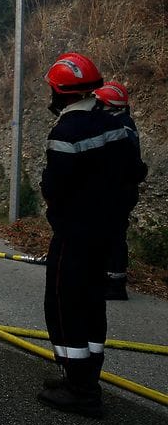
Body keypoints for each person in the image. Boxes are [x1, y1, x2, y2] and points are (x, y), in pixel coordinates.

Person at [38, 53, 147, 418]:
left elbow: (54, 187)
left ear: (60, 93)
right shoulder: (118, 123)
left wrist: (63, 212)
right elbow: (136, 170)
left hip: (75, 234)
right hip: (108, 231)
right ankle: (85, 377)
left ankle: (80, 389)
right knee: (93, 302)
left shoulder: (67, 132)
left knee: (64, 304)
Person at [93, 80, 146, 300]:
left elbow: (117, 162)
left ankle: (115, 283)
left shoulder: (119, 128)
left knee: (113, 235)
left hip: (118, 190)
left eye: (99, 104)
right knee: (111, 233)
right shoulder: (124, 124)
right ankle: (109, 277)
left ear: (109, 105)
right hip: (122, 189)